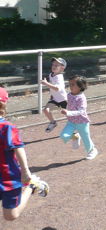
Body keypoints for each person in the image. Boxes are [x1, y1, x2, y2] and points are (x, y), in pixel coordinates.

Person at [0, 87, 49, 221]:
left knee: (11, 216)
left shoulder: (7, 127)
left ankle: (32, 186)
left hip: (8, 178)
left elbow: (18, 148)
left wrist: (25, 172)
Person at [59, 75, 98, 160]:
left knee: (86, 138)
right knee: (63, 136)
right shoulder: (69, 95)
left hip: (82, 122)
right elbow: (67, 102)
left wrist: (68, 112)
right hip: (71, 121)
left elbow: (81, 111)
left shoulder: (81, 98)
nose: (70, 86)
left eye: (73, 84)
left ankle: (92, 151)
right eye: (70, 84)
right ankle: (75, 137)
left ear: (81, 87)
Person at [41, 57, 68, 133]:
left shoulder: (59, 77)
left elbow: (57, 88)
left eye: (56, 65)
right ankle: (53, 123)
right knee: (46, 110)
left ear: (62, 68)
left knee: (69, 114)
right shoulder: (51, 74)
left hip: (63, 99)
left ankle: (76, 125)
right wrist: (52, 94)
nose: (54, 66)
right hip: (55, 99)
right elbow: (53, 87)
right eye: (53, 64)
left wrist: (46, 83)